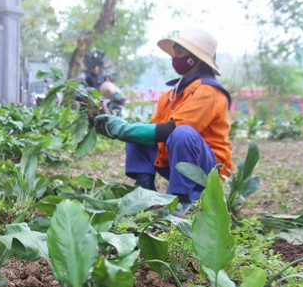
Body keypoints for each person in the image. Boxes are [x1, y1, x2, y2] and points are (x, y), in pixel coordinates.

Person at [94, 27, 234, 214]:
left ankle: (182, 201)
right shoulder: (172, 94)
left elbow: (172, 129)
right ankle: (145, 192)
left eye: (179, 52)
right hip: (175, 162)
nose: (175, 57)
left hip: (206, 171)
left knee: (182, 133)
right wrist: (127, 129)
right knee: (139, 133)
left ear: (194, 58)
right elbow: (154, 130)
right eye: (175, 51)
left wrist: (122, 130)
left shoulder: (209, 91)